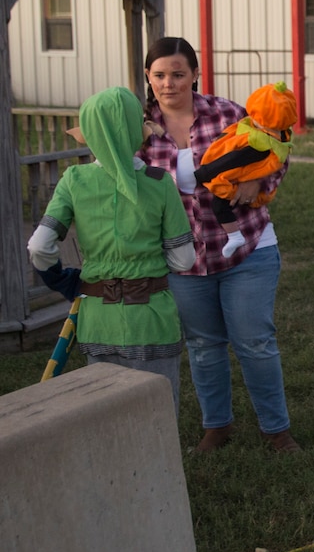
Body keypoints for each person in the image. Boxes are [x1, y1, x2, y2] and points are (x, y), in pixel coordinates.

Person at [141, 36, 300, 454]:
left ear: (195, 75)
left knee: (255, 341)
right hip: (183, 258)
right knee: (204, 345)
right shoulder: (139, 129)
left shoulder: (229, 113)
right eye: (159, 75)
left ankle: (276, 431)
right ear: (148, 77)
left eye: (178, 74)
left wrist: (257, 181)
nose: (169, 83)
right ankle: (217, 427)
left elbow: (278, 147)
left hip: (248, 246)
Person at [27, 86, 196, 414]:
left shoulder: (74, 180)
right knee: (155, 417)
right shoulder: (160, 182)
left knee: (107, 420)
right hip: (152, 319)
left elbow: (39, 246)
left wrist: (64, 280)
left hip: (98, 317)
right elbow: (183, 258)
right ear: (138, 131)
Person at [195, 81, 297, 258]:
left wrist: (204, 173)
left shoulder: (258, 143)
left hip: (251, 236)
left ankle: (234, 236)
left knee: (220, 205)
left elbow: (231, 161)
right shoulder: (277, 138)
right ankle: (234, 236)